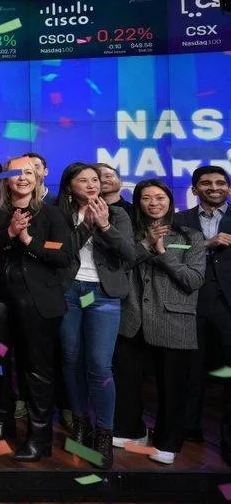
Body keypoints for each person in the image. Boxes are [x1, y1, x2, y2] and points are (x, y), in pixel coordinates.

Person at [112, 180, 205, 465]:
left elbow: (193, 280)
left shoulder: (191, 236)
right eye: (146, 198)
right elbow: (120, 268)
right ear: (138, 203)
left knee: (173, 387)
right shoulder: (130, 236)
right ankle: (132, 430)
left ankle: (168, 442)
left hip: (173, 321)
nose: (154, 203)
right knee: (127, 381)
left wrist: (163, 252)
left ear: (170, 200)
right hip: (132, 319)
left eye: (160, 197)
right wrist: (145, 244)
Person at [0, 156, 72, 461]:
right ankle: (2, 421)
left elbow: (61, 252)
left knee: (36, 371)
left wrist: (29, 239)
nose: (22, 178)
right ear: (5, 179)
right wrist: (9, 233)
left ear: (38, 177)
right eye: (15, 173)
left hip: (37, 304)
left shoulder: (51, 214)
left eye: (28, 172)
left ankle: (39, 437)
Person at [55, 162, 137, 469]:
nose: (92, 184)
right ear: (69, 187)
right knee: (70, 359)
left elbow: (129, 255)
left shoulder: (118, 215)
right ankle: (79, 422)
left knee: (100, 366)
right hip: (69, 292)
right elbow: (59, 253)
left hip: (102, 294)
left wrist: (103, 225)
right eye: (84, 180)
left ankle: (104, 432)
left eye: (95, 179)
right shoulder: (60, 214)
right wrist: (83, 226)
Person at [176, 166, 231, 465]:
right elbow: (173, 248)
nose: (214, 187)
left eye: (221, 183)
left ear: (229, 189)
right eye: (206, 183)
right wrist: (204, 244)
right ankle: (189, 430)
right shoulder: (180, 220)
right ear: (195, 189)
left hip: (227, 306)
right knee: (190, 371)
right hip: (190, 303)